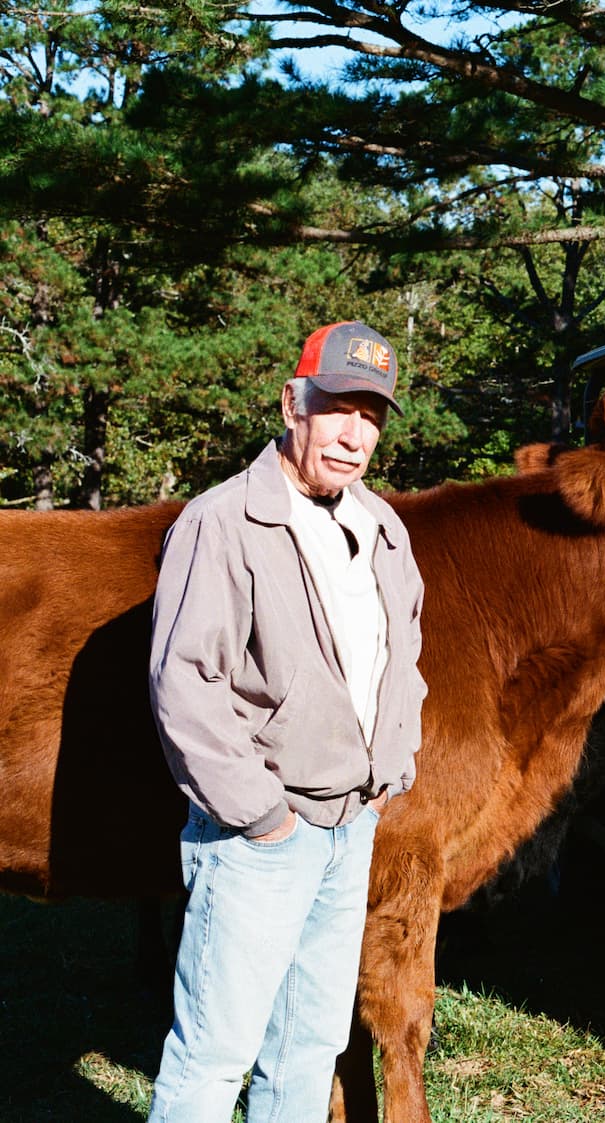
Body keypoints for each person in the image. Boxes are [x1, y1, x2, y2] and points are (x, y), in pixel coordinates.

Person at [146, 321, 428, 1123]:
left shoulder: (382, 528)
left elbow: (402, 658)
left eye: (371, 416)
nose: (353, 435)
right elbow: (184, 682)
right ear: (292, 404)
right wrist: (262, 816)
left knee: (309, 1048)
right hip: (259, 838)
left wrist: (391, 767)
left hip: (351, 826)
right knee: (213, 1054)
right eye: (337, 408)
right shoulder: (223, 522)